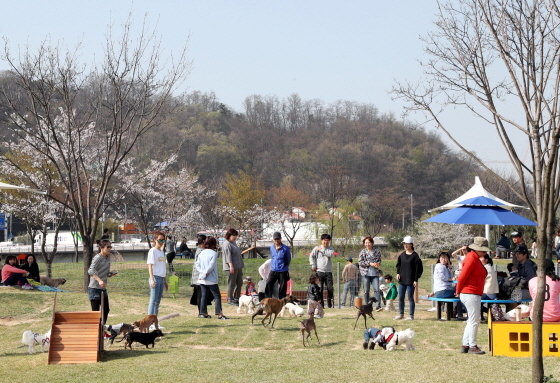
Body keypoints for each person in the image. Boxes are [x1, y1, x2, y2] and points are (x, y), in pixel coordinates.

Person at [456, 237, 489, 355]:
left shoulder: (474, 258)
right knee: (475, 320)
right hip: (470, 292)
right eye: (484, 250)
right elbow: (462, 276)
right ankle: (472, 346)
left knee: (472, 320)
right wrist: (458, 290)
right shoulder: (471, 258)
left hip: (471, 292)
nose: (485, 253)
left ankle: (465, 344)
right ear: (477, 249)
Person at [195, 236, 229, 320]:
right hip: (211, 279)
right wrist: (206, 273)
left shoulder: (201, 253)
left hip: (202, 279)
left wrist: (202, 273)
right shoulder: (213, 253)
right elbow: (211, 266)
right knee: (217, 296)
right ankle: (219, 314)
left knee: (204, 296)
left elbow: (197, 265)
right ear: (213, 244)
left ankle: (203, 313)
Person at [395, 236, 423, 321]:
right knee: (401, 297)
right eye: (404, 244)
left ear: (411, 244)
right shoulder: (402, 255)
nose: (406, 245)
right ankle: (401, 314)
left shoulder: (415, 256)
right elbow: (398, 265)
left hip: (411, 280)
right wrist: (398, 273)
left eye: (407, 244)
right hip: (402, 280)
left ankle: (411, 315)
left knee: (410, 298)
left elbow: (419, 269)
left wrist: (416, 279)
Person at [88, 239, 115, 325]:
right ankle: (96, 331)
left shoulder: (107, 258)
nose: (110, 248)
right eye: (108, 247)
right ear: (101, 248)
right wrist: (99, 280)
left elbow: (105, 272)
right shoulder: (98, 258)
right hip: (94, 288)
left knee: (106, 310)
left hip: (102, 289)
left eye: (110, 246)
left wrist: (110, 274)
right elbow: (90, 271)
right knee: (95, 312)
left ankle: (102, 329)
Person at [309, 233, 335, 308]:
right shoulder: (316, 248)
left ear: (329, 241)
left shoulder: (331, 249)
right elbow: (311, 256)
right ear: (321, 241)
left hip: (328, 272)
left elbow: (330, 254)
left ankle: (329, 302)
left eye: (327, 240)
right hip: (319, 271)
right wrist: (313, 264)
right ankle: (321, 304)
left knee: (330, 288)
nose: (325, 242)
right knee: (320, 289)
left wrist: (322, 250)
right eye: (324, 240)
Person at [358, 236, 382, 311]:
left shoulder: (377, 251)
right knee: (366, 291)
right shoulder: (363, 252)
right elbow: (360, 262)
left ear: (372, 243)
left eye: (369, 242)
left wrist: (377, 264)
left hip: (375, 274)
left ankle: (378, 305)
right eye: (366, 243)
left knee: (376, 290)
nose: (367, 244)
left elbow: (379, 260)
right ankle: (367, 305)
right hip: (365, 274)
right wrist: (370, 263)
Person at [147, 231, 168, 315]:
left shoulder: (162, 252)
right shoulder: (153, 251)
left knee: (157, 302)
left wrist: (165, 281)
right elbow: (150, 265)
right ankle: (149, 321)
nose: (161, 242)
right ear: (155, 239)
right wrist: (152, 279)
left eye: (163, 240)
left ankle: (155, 321)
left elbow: (163, 267)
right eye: (159, 240)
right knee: (153, 301)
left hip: (161, 278)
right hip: (155, 277)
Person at [266, 232, 291, 299]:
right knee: (268, 283)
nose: (276, 241)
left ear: (281, 239)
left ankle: (282, 301)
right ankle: (268, 300)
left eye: (278, 239)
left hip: (283, 271)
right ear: (273, 240)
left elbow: (288, 259)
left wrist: (284, 266)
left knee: (283, 287)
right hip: (273, 270)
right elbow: (273, 257)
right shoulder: (271, 248)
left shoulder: (285, 248)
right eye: (275, 239)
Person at [223, 228, 244, 305]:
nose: (235, 237)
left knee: (240, 283)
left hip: (238, 266)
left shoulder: (234, 243)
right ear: (229, 235)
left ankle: (237, 297)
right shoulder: (227, 244)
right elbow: (228, 256)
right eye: (233, 235)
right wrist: (231, 266)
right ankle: (230, 299)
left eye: (236, 235)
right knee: (231, 283)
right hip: (231, 267)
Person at [190, 234, 208, 313]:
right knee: (200, 295)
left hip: (198, 276)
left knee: (201, 294)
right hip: (199, 277)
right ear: (204, 241)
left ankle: (202, 311)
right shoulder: (200, 251)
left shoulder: (199, 250)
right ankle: (201, 312)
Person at [480, 254, 498, 320]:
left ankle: (489, 312)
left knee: (473, 301)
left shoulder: (485, 268)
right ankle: (487, 313)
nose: (479, 259)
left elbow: (480, 281)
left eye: (481, 257)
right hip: (492, 293)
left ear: (486, 260)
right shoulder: (489, 267)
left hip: (488, 293)